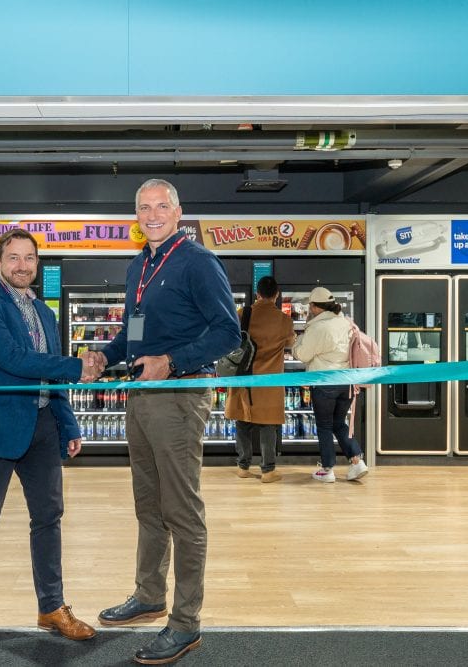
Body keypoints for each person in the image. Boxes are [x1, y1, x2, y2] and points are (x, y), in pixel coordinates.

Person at [94, 179, 241, 665]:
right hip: (142, 396)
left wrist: (172, 362)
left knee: (181, 510)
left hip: (179, 396)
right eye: (144, 207)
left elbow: (229, 332)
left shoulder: (198, 262)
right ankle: (149, 594)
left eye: (161, 206)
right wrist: (104, 356)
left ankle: (185, 622)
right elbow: (134, 334)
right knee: (148, 504)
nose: (152, 214)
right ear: (136, 215)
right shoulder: (140, 265)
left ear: (179, 213)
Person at [0, 228, 101, 655]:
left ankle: (51, 607)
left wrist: (68, 424)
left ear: (38, 263)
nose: (22, 266)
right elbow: (13, 359)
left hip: (42, 427)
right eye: (14, 258)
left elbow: (50, 377)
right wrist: (77, 366)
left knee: (49, 518)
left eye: (29, 258)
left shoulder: (44, 312)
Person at [291, 286, 368, 483]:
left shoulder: (318, 328)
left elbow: (303, 355)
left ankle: (327, 469)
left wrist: (296, 343)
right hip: (346, 382)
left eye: (310, 306)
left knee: (324, 425)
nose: (309, 309)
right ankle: (357, 461)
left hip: (325, 382)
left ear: (316, 307)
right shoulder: (345, 322)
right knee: (338, 423)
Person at [224, 276, 296, 483]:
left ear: (257, 293)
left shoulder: (243, 313)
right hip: (269, 381)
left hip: (244, 378)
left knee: (243, 421)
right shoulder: (284, 320)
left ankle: (243, 466)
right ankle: (268, 470)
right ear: (277, 295)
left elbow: (231, 340)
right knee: (268, 425)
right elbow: (290, 342)